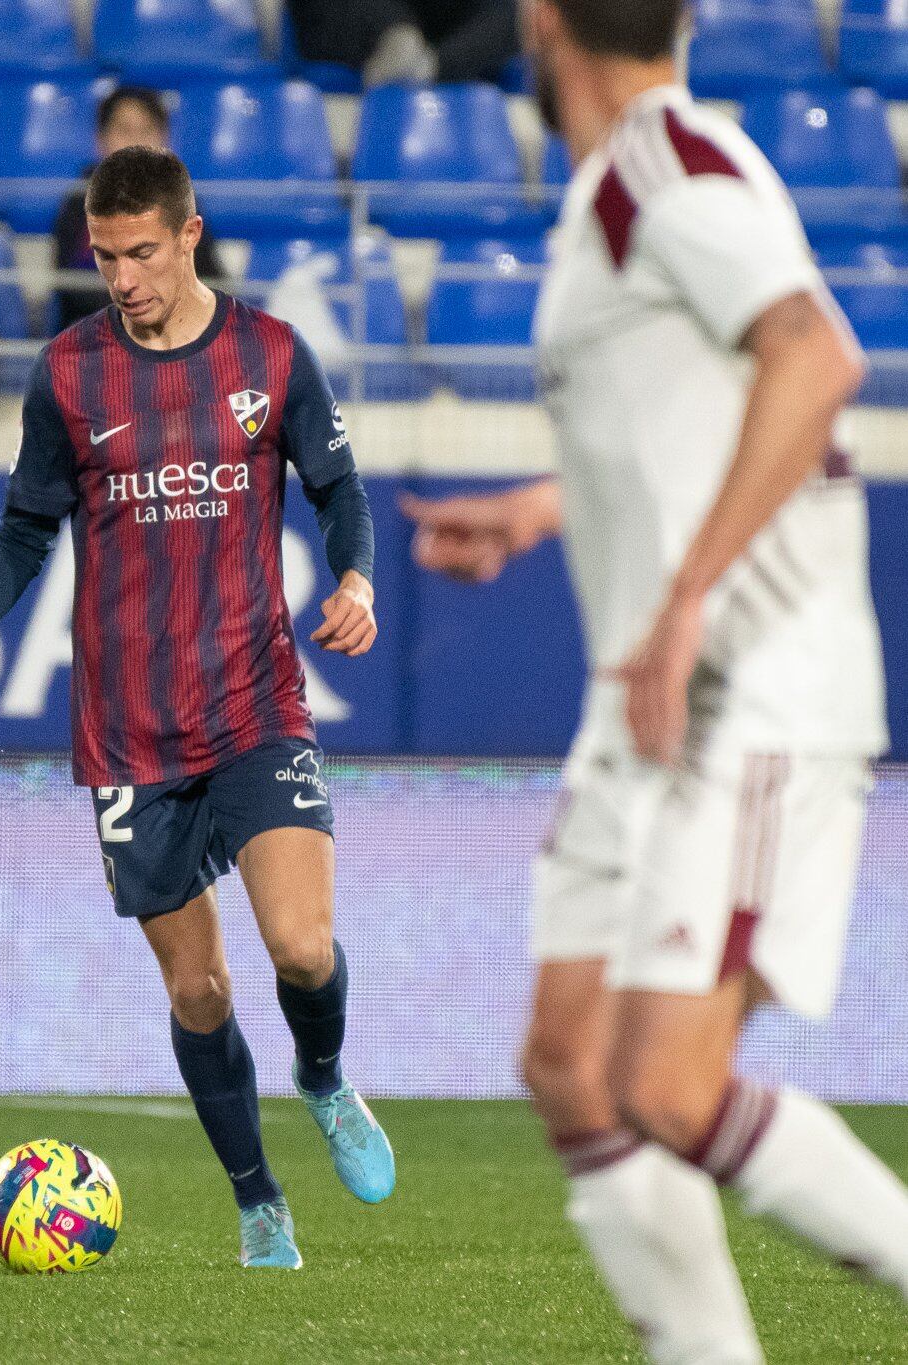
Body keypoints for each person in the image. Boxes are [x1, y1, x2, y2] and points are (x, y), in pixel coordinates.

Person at [404, 0, 907, 1359]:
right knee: (569, 1064)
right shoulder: (619, 188)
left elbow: (814, 359)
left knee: (668, 1085)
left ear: (540, 20)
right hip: (646, 701)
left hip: (751, 681)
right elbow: (678, 423)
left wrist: (686, 596)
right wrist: (539, 506)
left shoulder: (664, 167)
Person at [0, 145, 395, 1269]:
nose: (123, 278)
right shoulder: (68, 374)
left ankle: (324, 1077)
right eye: (105, 257)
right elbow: (25, 528)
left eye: (142, 253)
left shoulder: (270, 355)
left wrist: (354, 577)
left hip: (255, 701)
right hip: (130, 731)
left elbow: (339, 488)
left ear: (190, 234)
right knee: (200, 984)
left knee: (302, 949)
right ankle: (259, 1202)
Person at [51, 86, 225, 332]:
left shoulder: (182, 201)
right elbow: (69, 287)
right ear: (101, 140)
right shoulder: (78, 203)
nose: (135, 141)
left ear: (165, 140)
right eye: (124, 131)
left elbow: (208, 277)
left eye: (146, 130)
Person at [287, 0, 520, 87]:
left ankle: (427, 66)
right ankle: (399, 40)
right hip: (357, 27)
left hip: (438, 40)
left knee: (521, 12)